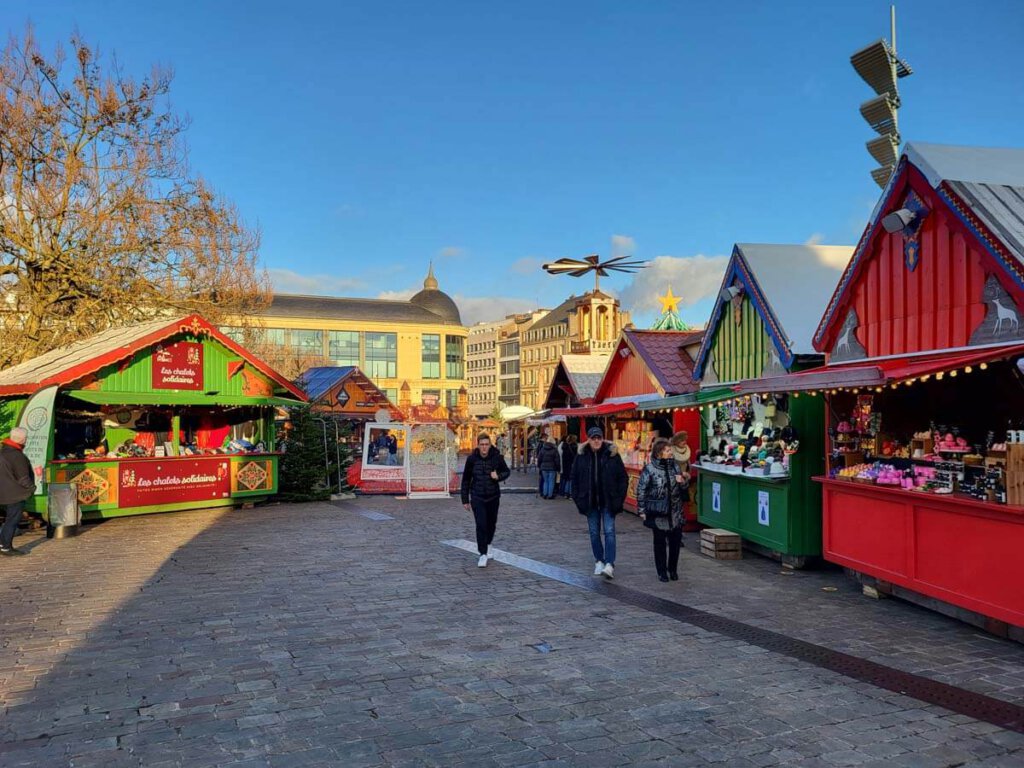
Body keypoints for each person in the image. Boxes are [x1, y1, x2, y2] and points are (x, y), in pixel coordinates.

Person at [571, 426, 628, 579]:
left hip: (608, 501)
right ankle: (599, 560)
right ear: (588, 440)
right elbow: (574, 479)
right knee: (594, 533)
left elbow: (623, 478)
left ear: (602, 439)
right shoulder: (581, 456)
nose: (596, 441)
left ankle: (609, 563)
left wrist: (618, 498)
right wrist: (578, 499)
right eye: (593, 438)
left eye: (599, 438)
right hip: (590, 502)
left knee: (609, 532)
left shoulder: (612, 455)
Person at [637, 438, 687, 582]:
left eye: (670, 450)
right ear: (659, 453)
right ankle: (661, 571)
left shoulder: (675, 467)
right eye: (667, 450)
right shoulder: (650, 469)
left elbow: (683, 488)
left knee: (675, 542)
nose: (670, 452)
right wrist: (642, 510)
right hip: (658, 511)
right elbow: (641, 489)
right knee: (659, 542)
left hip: (675, 511)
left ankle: (673, 569)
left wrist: (682, 481)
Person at [460, 433, 511, 568]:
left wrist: (498, 476)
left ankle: (488, 544)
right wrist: (465, 499)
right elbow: (465, 479)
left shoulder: (497, 457)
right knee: (481, 524)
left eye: (486, 445)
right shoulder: (471, 459)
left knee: (491, 524)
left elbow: (506, 471)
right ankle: (482, 553)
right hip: (477, 496)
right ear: (478, 445)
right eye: (482, 445)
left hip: (493, 496)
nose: (484, 447)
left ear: (490, 445)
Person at [0, 427, 36, 556]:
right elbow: (23, 478)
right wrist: (32, 489)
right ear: (23, 440)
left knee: (7, 520)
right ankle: (6, 547)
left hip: (3, 491)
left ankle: (3, 543)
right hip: (14, 494)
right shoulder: (17, 455)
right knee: (12, 520)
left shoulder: (3, 451)